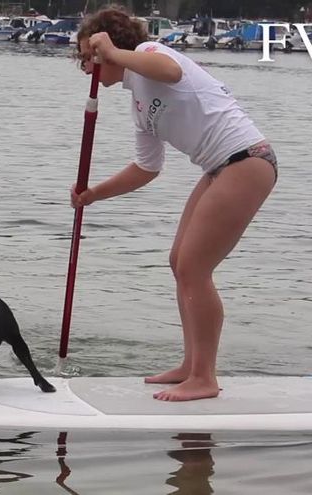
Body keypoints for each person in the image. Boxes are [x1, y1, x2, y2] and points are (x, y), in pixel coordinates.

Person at [69, 7, 277, 402]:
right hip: (220, 166)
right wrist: (93, 194)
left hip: (249, 160)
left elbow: (171, 73)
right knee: (179, 260)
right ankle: (190, 364)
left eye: (88, 57)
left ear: (112, 48)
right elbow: (147, 168)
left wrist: (113, 50)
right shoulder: (138, 103)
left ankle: (205, 377)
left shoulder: (150, 54)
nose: (86, 67)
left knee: (194, 267)